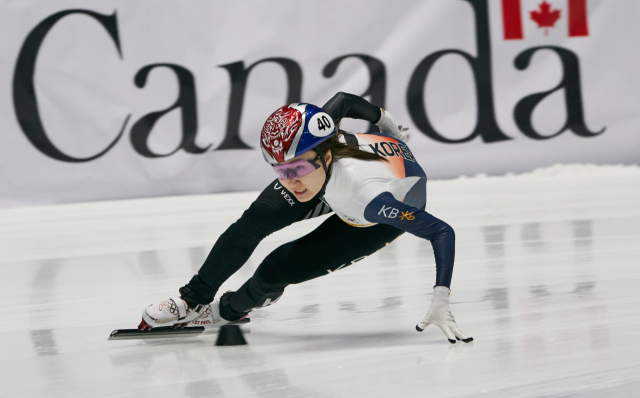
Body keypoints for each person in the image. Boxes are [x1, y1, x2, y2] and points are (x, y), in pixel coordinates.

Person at [138, 92, 472, 344]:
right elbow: (343, 101)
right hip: (341, 174)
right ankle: (192, 300)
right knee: (256, 220)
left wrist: (441, 296)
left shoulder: (369, 199)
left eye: (296, 168)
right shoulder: (313, 145)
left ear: (326, 154)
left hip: (375, 210)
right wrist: (384, 119)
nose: (289, 181)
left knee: (275, 270)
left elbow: (441, 231)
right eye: (280, 170)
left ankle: (227, 311)